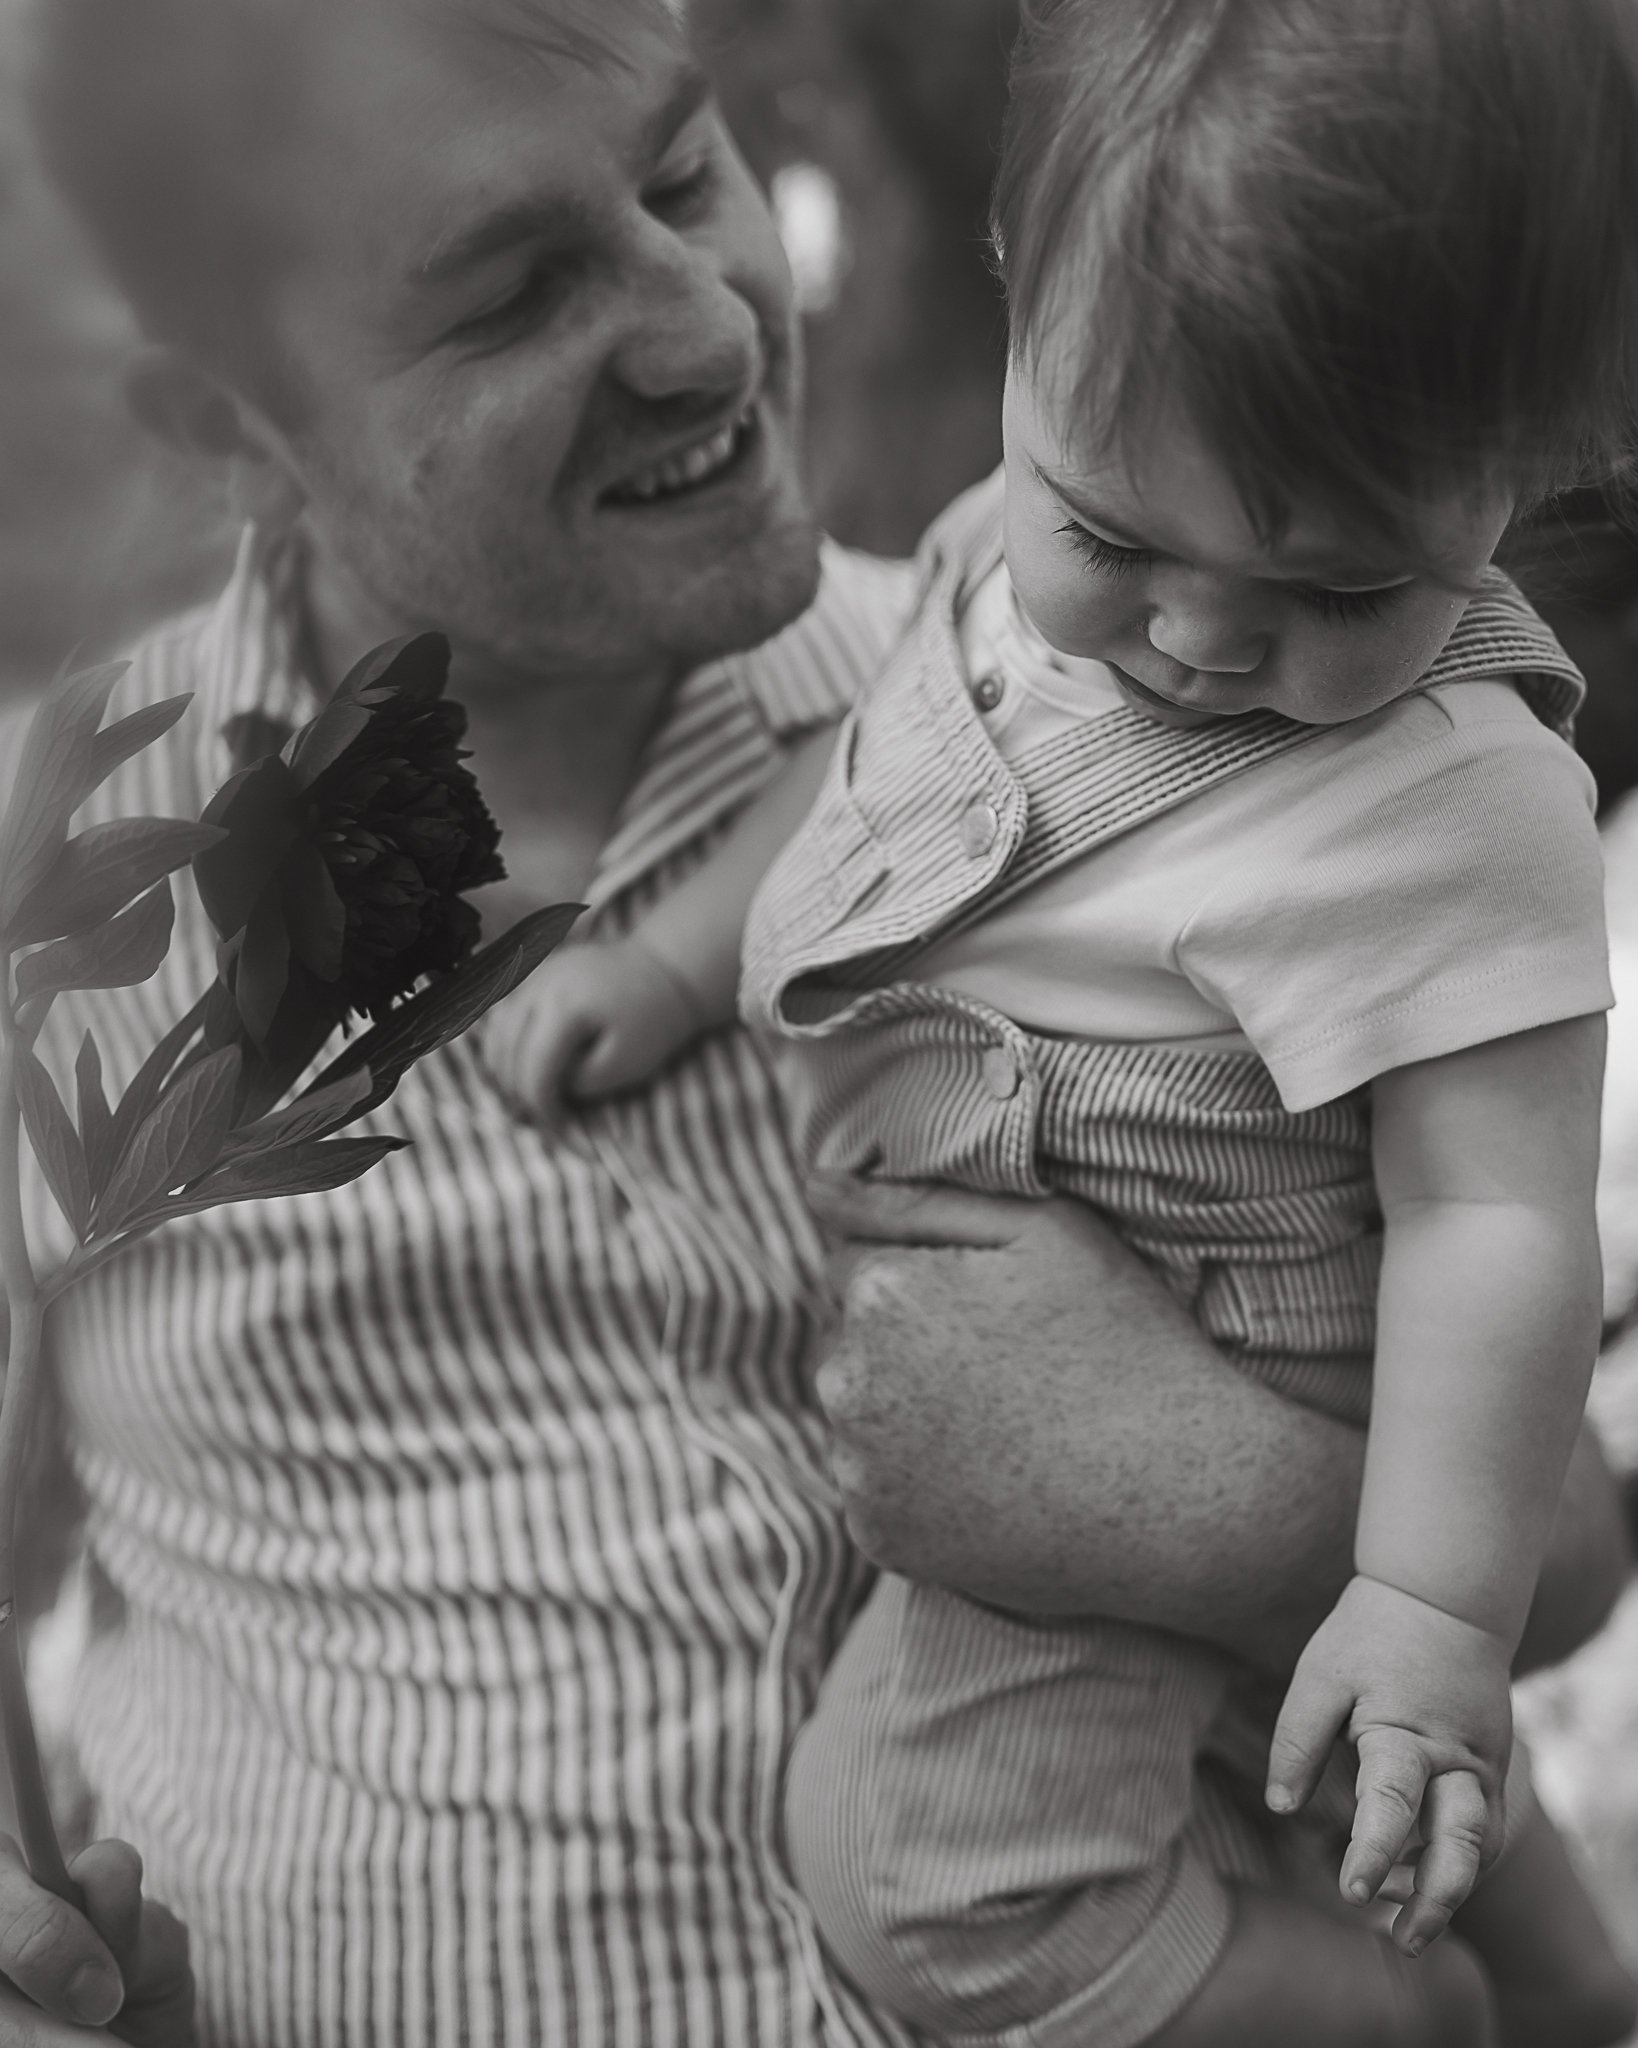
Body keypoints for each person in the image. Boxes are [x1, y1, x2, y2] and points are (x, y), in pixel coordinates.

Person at [0, 0, 1630, 2043]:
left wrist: (1170, 1478)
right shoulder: (56, 889)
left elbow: (1552, 1541)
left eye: (690, 176)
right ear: (224, 419)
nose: (709, 327)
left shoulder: (1047, 681)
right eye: (510, 294)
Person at [483, 1, 1638, 2043]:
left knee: (921, 1884)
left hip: (1187, 1361)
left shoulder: (1468, 801)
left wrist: (1431, 1601)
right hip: (1044, 1370)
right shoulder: (997, 570)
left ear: (1530, 468)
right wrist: (665, 963)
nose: (1197, 638)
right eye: (1112, 534)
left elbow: (1498, 1221)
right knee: (1325, 1769)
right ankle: (1554, 1971)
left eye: (1341, 589)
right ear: (1027, 280)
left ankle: (1398, 2019)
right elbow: (882, 761)